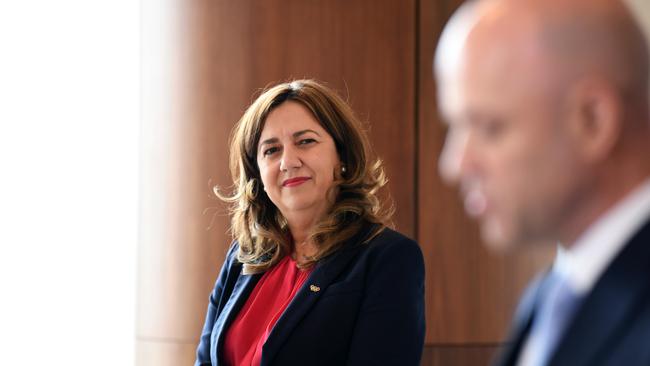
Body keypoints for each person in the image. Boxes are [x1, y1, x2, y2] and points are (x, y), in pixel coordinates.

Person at [435, 0, 650, 365]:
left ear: (593, 120)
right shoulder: (552, 296)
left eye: (489, 127)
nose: (454, 166)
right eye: (455, 126)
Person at [194, 79, 425, 366]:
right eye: (271, 150)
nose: (288, 161)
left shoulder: (388, 259)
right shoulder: (242, 257)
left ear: (341, 155)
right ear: (258, 173)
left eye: (305, 141)